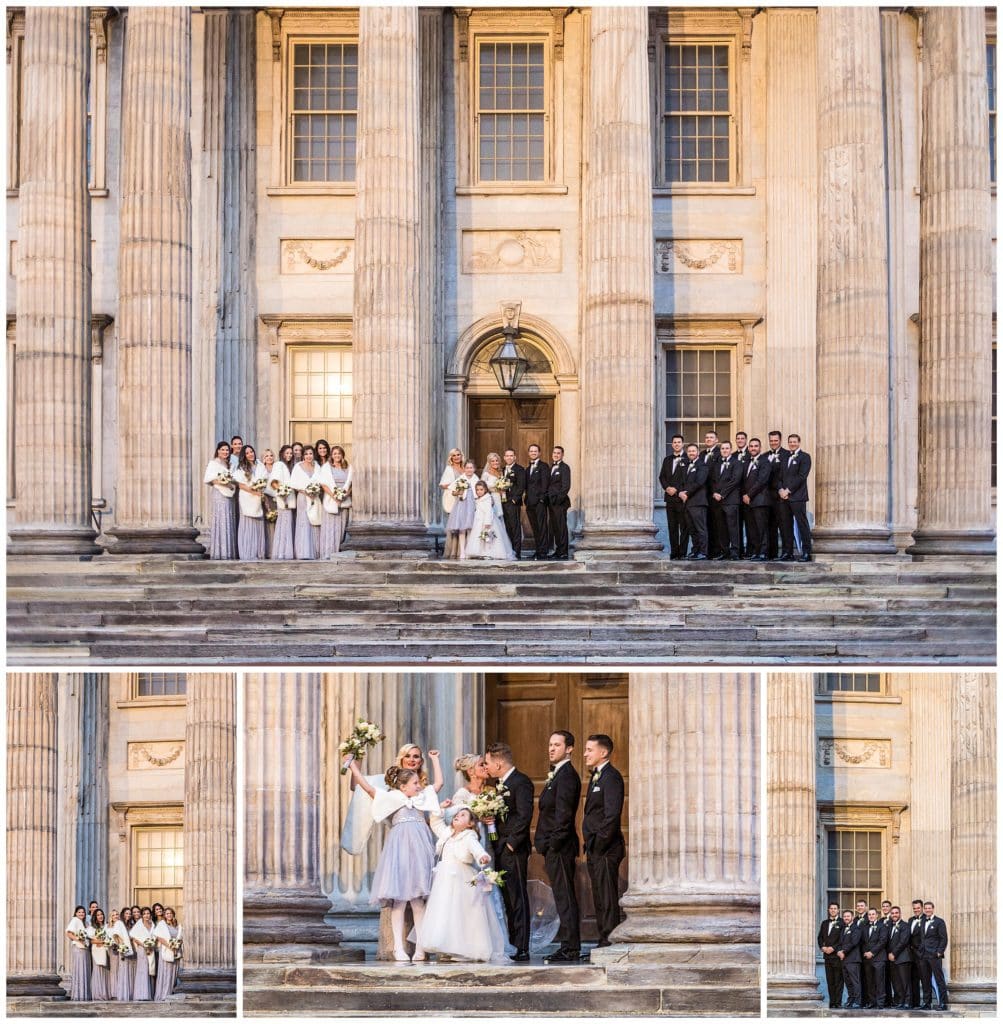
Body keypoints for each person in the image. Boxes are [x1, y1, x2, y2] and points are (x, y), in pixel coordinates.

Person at [347, 760, 438, 963]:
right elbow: (368, 788)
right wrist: (354, 767)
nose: (419, 786)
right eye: (415, 783)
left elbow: (437, 786)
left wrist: (435, 761)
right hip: (400, 853)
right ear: (403, 786)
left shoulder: (421, 799)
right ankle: (398, 948)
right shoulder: (391, 798)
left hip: (419, 852)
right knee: (399, 901)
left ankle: (421, 948)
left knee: (418, 902)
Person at [413, 806, 506, 962]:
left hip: (460, 880)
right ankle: (446, 947)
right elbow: (435, 821)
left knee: (459, 914)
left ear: (470, 824)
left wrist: (483, 856)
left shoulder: (469, 836)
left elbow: (477, 850)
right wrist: (442, 808)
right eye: (456, 814)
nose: (457, 816)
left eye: (463, 815)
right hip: (444, 881)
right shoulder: (447, 834)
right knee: (445, 913)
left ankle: (463, 949)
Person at [484, 742, 535, 962]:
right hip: (500, 848)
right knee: (507, 898)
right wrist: (492, 832)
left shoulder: (520, 782)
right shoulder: (498, 785)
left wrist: (511, 844)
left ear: (498, 763)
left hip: (513, 850)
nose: (486, 767)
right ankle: (513, 944)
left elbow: (524, 816)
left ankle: (522, 946)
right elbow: (499, 820)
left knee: (518, 897)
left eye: (487, 763)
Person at [535, 730, 581, 964]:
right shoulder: (557, 774)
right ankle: (568, 945)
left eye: (557, 745)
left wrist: (552, 844)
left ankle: (571, 947)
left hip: (561, 848)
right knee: (563, 895)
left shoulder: (567, 776)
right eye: (550, 744)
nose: (551, 749)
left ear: (569, 749)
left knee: (565, 896)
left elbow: (563, 816)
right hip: (554, 847)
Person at [582, 733, 625, 952]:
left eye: (589, 749)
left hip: (607, 848)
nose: (585, 754)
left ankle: (609, 938)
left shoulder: (612, 777)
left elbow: (611, 815)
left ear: (603, 752)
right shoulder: (596, 776)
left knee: (607, 894)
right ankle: (603, 937)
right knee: (599, 894)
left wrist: (599, 842)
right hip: (595, 847)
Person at [776, 433, 812, 561]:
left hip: (798, 497)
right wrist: (780, 489)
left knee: (802, 525)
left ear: (799, 442)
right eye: (790, 442)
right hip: (783, 498)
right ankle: (787, 552)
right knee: (785, 526)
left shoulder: (805, 457)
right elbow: (779, 477)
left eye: (794, 442)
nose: (792, 444)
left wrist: (788, 490)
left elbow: (802, 477)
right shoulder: (785, 457)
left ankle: (806, 552)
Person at [464, 481, 516, 560]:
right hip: (479, 521)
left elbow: (489, 511)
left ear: (485, 490)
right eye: (477, 490)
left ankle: (488, 552)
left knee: (488, 537)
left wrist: (487, 522)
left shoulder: (487, 498)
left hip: (486, 521)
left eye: (481, 489)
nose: (479, 491)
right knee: (481, 537)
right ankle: (481, 552)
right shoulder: (479, 499)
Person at [203, 441, 237, 559]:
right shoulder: (214, 463)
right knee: (221, 519)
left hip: (230, 495)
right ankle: (220, 552)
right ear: (218, 450)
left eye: (227, 450)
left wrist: (230, 484)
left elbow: (233, 479)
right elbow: (209, 479)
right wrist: (224, 483)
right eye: (223, 449)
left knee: (229, 519)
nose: (225, 452)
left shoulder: (230, 464)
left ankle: (229, 552)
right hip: (219, 494)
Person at [318, 444, 352, 558]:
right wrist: (334, 496)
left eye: (339, 453)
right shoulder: (327, 467)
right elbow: (323, 484)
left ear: (342, 455)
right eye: (335, 454)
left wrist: (344, 495)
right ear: (331, 456)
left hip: (344, 501)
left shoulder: (348, 468)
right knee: (330, 528)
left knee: (341, 528)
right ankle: (328, 553)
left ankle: (338, 552)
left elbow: (352, 484)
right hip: (331, 500)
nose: (337, 455)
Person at [658, 434, 689, 559]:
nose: (676, 444)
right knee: (672, 527)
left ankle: (682, 553)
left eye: (679, 442)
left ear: (682, 444)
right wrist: (667, 488)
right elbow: (662, 477)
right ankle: (674, 553)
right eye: (674, 442)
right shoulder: (667, 459)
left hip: (682, 499)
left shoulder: (688, 459)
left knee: (684, 528)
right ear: (672, 445)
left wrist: (677, 490)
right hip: (669, 499)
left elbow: (688, 479)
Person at [234, 443, 267, 561]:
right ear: (244, 455)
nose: (250, 454)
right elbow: (241, 485)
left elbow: (264, 479)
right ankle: (247, 552)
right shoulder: (241, 467)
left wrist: (260, 489)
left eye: (251, 451)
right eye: (247, 453)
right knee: (247, 525)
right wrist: (253, 491)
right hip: (247, 497)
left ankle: (259, 552)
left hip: (258, 498)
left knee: (258, 525)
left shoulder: (260, 465)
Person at [710, 440, 741, 560]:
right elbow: (712, 481)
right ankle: (725, 551)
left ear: (731, 449)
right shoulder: (717, 464)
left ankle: (735, 552)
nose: (724, 450)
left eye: (727, 448)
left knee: (733, 527)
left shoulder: (736, 463)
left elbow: (735, 480)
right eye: (722, 448)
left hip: (730, 500)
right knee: (721, 528)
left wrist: (721, 494)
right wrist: (714, 493)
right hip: (717, 501)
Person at [741, 438, 771, 560]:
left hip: (760, 500)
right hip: (748, 502)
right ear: (748, 448)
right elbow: (743, 481)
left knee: (761, 528)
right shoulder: (746, 462)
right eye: (751, 446)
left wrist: (749, 495)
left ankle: (764, 552)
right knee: (752, 528)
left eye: (756, 446)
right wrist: (744, 495)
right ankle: (756, 551)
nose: (753, 448)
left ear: (760, 447)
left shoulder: (765, 462)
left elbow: (761, 481)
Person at [290, 444, 322, 559]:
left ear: (313, 455)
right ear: (303, 456)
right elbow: (293, 483)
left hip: (315, 497)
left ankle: (315, 551)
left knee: (314, 521)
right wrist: (306, 491)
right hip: (303, 497)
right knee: (303, 522)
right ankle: (303, 552)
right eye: (306, 454)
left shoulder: (317, 467)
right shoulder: (298, 466)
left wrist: (315, 492)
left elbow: (321, 481)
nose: (309, 456)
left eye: (311, 453)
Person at [679, 443, 709, 560]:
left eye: (693, 451)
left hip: (698, 502)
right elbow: (682, 482)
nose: (691, 453)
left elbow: (699, 482)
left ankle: (703, 552)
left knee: (701, 529)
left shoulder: (702, 466)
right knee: (692, 529)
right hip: (687, 503)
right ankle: (695, 550)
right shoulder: (686, 466)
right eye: (689, 451)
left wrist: (686, 493)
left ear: (697, 452)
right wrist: (680, 492)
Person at [918, 900, 948, 1010]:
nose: (927, 910)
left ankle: (943, 1003)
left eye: (929, 908)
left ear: (933, 908)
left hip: (934, 955)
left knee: (939, 979)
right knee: (925, 980)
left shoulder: (939, 922)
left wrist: (939, 952)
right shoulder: (922, 921)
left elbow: (943, 938)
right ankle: (926, 1003)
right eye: (925, 908)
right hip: (923, 955)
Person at [445, 460, 479, 560]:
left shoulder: (476, 479)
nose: (469, 470)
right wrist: (460, 491)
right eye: (467, 468)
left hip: (473, 505)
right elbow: (453, 492)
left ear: (474, 469)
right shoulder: (461, 479)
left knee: (471, 529)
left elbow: (480, 492)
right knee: (462, 529)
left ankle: (469, 551)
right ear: (464, 469)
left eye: (471, 468)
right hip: (462, 505)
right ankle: (462, 552)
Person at [764, 430, 789, 559]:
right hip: (767, 496)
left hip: (781, 496)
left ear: (780, 440)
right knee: (770, 526)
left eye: (775, 440)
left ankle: (786, 552)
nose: (773, 443)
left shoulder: (787, 455)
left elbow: (785, 475)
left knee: (784, 525)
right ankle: (771, 553)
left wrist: (781, 489)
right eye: (771, 440)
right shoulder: (764, 456)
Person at [268, 444, 296, 560]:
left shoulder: (289, 466)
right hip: (284, 500)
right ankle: (281, 552)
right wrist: (282, 493)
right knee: (283, 525)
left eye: (291, 453)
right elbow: (274, 481)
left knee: (287, 524)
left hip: (289, 499)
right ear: (282, 454)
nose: (289, 455)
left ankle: (286, 551)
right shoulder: (279, 464)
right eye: (287, 453)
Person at [525, 444, 551, 559]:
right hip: (530, 503)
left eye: (535, 451)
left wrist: (541, 499)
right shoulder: (527, 468)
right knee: (535, 528)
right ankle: (538, 549)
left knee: (542, 527)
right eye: (531, 451)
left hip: (539, 503)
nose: (533, 453)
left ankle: (543, 552)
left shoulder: (544, 466)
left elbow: (545, 484)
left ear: (539, 453)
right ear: (529, 453)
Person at [499, 448, 527, 558]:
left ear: (515, 457)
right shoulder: (502, 470)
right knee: (507, 526)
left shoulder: (519, 469)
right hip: (503, 502)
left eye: (511, 455)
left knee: (515, 527)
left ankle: (517, 552)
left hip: (513, 502)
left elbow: (521, 486)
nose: (509, 457)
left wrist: (515, 499)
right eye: (507, 456)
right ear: (504, 457)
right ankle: (509, 550)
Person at [439, 448, 466, 559]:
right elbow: (442, 485)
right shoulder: (449, 469)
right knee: (454, 527)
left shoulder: (465, 468)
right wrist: (456, 485)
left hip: (464, 500)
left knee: (463, 526)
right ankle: (453, 552)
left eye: (458, 454)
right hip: (453, 500)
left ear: (461, 455)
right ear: (451, 457)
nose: (456, 457)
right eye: (454, 455)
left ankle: (462, 552)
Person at [546, 446, 571, 560]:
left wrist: (558, 500)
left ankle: (564, 552)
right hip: (551, 503)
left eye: (558, 453)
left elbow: (566, 486)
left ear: (562, 454)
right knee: (555, 527)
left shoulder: (565, 468)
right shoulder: (551, 467)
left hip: (560, 503)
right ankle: (558, 550)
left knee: (561, 527)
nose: (556, 455)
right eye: (554, 453)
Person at [818, 901, 844, 1009]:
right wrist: (822, 947)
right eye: (831, 908)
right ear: (829, 910)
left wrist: (833, 948)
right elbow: (820, 937)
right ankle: (832, 1002)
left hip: (837, 956)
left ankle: (838, 1003)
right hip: (827, 957)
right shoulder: (824, 923)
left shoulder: (842, 922)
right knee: (830, 981)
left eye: (835, 908)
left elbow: (842, 939)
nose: (833, 910)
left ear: (838, 910)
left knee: (838, 981)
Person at [701, 431, 723, 558]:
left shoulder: (720, 453)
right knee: (706, 523)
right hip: (703, 495)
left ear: (716, 440)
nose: (709, 439)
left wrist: (717, 491)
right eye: (707, 437)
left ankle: (717, 551)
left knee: (717, 523)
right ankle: (707, 551)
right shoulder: (702, 454)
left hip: (715, 494)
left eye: (711, 437)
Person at [861, 907, 888, 1009]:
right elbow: (863, 942)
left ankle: (880, 1003)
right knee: (870, 982)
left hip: (879, 958)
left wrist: (872, 952)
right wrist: (865, 953)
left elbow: (882, 941)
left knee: (879, 981)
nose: (871, 916)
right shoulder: (865, 927)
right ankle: (872, 1002)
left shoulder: (882, 926)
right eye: (869, 915)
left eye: (873, 914)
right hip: (867, 959)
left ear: (877, 915)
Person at [886, 905, 912, 1009]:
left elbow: (903, 941)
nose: (894, 915)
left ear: (900, 914)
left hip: (903, 958)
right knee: (896, 982)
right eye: (892, 913)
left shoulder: (905, 926)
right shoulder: (889, 926)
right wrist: (889, 954)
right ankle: (900, 1001)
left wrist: (893, 953)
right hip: (892, 960)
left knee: (904, 981)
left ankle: (907, 1002)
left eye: (896, 913)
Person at [837, 908, 863, 1009]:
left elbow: (854, 942)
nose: (846, 918)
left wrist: (843, 951)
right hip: (844, 960)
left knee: (855, 981)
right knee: (848, 982)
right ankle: (851, 1000)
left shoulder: (856, 928)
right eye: (844, 916)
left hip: (853, 959)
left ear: (852, 917)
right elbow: (839, 943)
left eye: (848, 916)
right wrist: (839, 951)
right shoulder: (843, 929)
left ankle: (857, 1001)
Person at [153, 907, 181, 1000]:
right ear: (164, 915)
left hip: (176, 952)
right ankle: (163, 995)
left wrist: (176, 946)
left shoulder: (177, 925)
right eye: (167, 913)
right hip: (166, 950)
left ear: (173, 914)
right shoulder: (162, 924)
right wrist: (170, 946)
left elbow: (180, 938)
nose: (169, 915)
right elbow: (159, 938)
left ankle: (171, 993)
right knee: (166, 973)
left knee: (173, 973)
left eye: (170, 913)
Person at [130, 906, 157, 1000]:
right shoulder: (139, 924)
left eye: (148, 913)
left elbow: (155, 937)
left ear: (150, 915)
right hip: (142, 949)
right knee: (142, 970)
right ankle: (141, 994)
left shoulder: (152, 924)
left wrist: (151, 945)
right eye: (144, 913)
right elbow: (134, 937)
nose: (146, 915)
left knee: (150, 969)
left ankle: (150, 993)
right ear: (142, 915)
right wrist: (144, 945)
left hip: (151, 949)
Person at [66, 905, 91, 1000]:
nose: (81, 914)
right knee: (80, 970)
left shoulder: (84, 923)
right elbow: (68, 933)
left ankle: (84, 994)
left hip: (85, 949)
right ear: (76, 913)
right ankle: (78, 995)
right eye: (79, 912)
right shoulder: (75, 920)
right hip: (78, 948)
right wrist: (78, 939)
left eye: (83, 912)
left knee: (84, 971)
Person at [87, 907, 112, 1000]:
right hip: (97, 950)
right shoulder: (92, 927)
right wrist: (100, 942)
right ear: (95, 917)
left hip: (106, 950)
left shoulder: (106, 925)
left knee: (106, 971)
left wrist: (106, 942)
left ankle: (105, 994)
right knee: (98, 970)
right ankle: (98, 994)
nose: (100, 916)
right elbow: (90, 940)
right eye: (98, 915)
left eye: (101, 914)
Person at [112, 907, 135, 1001]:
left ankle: (130, 994)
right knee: (124, 972)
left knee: (131, 972)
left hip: (132, 950)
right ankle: (123, 994)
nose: (128, 915)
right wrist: (121, 947)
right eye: (126, 913)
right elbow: (116, 935)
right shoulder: (119, 923)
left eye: (130, 914)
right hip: (124, 950)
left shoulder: (132, 925)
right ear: (123, 914)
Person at [908, 898, 925, 1008]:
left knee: (924, 979)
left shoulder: (926, 919)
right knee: (913, 979)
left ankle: (926, 1002)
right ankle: (915, 1003)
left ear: (922, 908)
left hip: (922, 954)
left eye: (918, 908)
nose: (916, 910)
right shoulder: (910, 920)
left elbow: (926, 937)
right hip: (911, 955)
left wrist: (921, 951)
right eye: (914, 908)